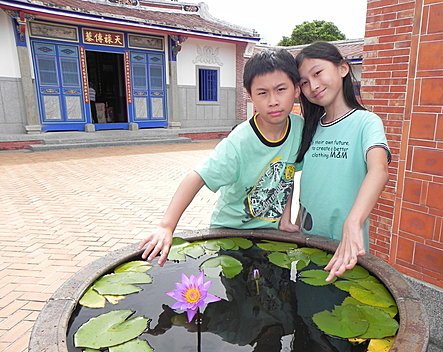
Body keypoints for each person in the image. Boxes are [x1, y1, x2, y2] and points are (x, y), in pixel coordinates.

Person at [140, 48, 303, 266]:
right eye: (262, 93)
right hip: (230, 233)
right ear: (250, 95)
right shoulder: (239, 142)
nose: (273, 101)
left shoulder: (299, 129)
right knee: (238, 296)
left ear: (297, 89)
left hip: (272, 234)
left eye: (281, 89)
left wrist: (285, 218)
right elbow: (196, 177)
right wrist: (166, 226)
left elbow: (286, 175)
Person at [294, 41, 391, 281]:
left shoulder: (366, 122)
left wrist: (353, 221)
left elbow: (378, 170)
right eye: (304, 82)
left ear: (343, 69)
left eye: (318, 73)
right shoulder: (310, 127)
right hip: (307, 245)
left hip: (346, 250)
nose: (313, 86)